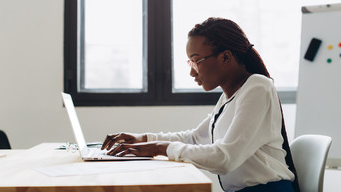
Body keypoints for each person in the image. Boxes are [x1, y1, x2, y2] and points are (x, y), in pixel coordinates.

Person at [101, 17, 299, 192]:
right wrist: (143, 138)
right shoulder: (230, 97)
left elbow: (225, 158)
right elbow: (195, 138)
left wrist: (159, 148)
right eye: (190, 63)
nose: (192, 72)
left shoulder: (257, 87)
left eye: (196, 61)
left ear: (225, 57)